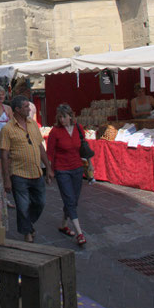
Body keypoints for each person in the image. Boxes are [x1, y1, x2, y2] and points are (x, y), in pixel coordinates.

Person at [0, 95, 53, 243]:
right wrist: (6, 179)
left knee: (40, 203)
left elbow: (40, 146)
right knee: (22, 206)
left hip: (36, 171)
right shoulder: (7, 129)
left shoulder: (32, 124)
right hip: (18, 173)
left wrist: (48, 167)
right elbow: (4, 155)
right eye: (25, 107)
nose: (29, 109)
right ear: (17, 109)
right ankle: (27, 233)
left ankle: (28, 225)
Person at [47, 103, 87, 246]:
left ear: (70, 116)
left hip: (77, 168)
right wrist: (49, 171)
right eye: (60, 117)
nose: (62, 120)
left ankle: (63, 224)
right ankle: (79, 233)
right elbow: (49, 153)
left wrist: (90, 164)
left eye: (64, 117)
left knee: (73, 200)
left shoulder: (78, 128)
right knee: (69, 199)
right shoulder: (55, 132)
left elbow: (84, 147)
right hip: (62, 169)